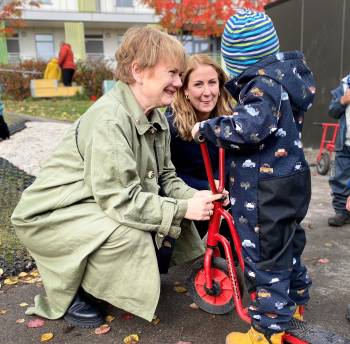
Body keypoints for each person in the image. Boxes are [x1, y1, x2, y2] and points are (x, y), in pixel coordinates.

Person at [11, 27, 224, 328]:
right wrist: (179, 208)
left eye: (179, 75)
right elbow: (120, 200)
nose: (179, 82)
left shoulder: (156, 116)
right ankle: (76, 292)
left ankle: (106, 278)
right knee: (129, 232)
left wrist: (194, 197)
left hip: (90, 202)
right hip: (50, 216)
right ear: (139, 71)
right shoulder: (109, 120)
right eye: (173, 73)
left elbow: (166, 176)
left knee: (159, 216)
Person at [191, 9, 315, 344]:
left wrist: (209, 127)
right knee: (287, 246)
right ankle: (297, 303)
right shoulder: (289, 79)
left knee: (263, 259)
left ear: (237, 60)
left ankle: (266, 332)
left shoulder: (262, 86)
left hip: (264, 189)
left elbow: (250, 127)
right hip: (292, 181)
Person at [166, 54, 232, 240]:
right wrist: (206, 186)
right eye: (198, 84)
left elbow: (231, 160)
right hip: (189, 207)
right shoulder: (171, 128)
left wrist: (221, 181)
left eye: (212, 82)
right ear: (185, 89)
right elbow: (167, 176)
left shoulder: (229, 121)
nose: (207, 92)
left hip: (223, 200)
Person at [327, 74, 350, 226]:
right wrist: (343, 100)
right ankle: (341, 212)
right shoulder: (343, 86)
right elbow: (332, 112)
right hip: (344, 144)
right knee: (337, 177)